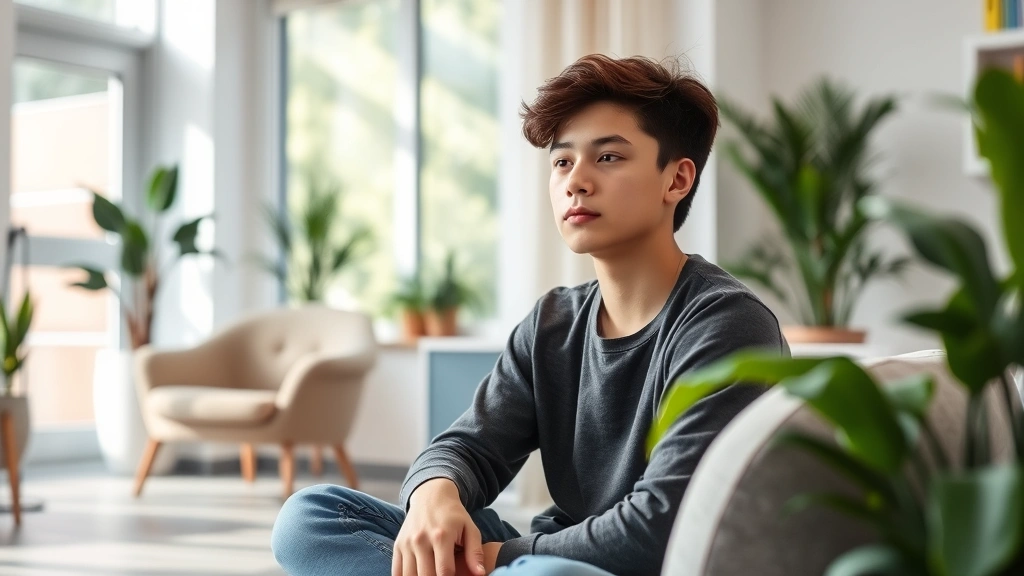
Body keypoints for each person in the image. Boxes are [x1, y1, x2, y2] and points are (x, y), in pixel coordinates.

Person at [272, 53, 786, 576]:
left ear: (676, 180)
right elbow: (467, 446)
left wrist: (494, 558)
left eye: (608, 157)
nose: (576, 181)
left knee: (544, 573)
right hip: (550, 556)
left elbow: (661, 530)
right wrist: (434, 493)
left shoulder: (727, 325)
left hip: (643, 566)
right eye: (562, 162)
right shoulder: (553, 323)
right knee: (310, 517)